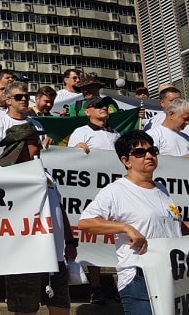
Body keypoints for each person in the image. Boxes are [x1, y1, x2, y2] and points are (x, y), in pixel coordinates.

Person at [79, 130, 188, 314]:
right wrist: (125, 228)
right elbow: (86, 222)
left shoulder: (161, 189)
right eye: (140, 153)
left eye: (152, 151)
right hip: (140, 276)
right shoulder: (115, 191)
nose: (149, 156)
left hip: (171, 275)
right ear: (126, 161)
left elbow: (174, 227)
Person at [0, 123, 77, 315]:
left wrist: (70, 241)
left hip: (55, 256)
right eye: (35, 142)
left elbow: (59, 209)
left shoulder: (45, 173)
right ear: (20, 145)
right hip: (23, 257)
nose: (39, 147)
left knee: (61, 308)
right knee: (25, 310)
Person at [67, 95, 120, 304]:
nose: (103, 108)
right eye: (97, 106)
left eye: (105, 105)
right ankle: (96, 287)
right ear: (87, 112)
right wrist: (77, 149)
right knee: (95, 237)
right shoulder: (81, 132)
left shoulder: (116, 134)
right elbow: (68, 161)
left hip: (113, 192)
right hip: (90, 194)